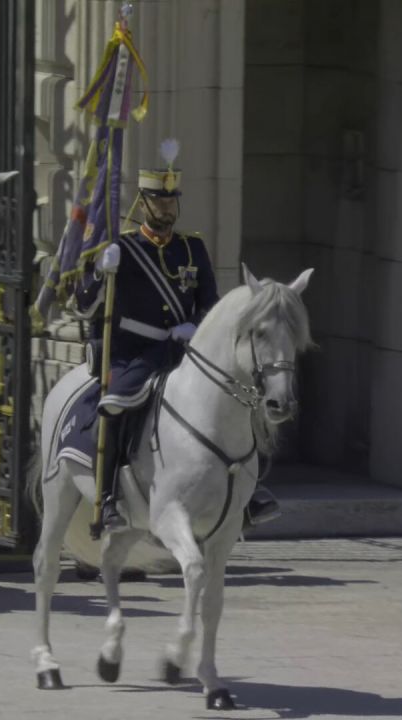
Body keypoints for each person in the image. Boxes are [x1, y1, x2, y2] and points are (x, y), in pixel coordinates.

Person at [85, 140, 280, 535]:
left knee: (240, 397)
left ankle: (249, 491)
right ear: (143, 204)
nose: (168, 209)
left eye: (172, 201)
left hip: (184, 351)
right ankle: (107, 497)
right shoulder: (123, 248)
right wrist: (97, 273)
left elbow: (210, 301)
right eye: (160, 201)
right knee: (116, 407)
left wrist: (195, 325)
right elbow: (85, 305)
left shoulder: (192, 248)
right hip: (135, 353)